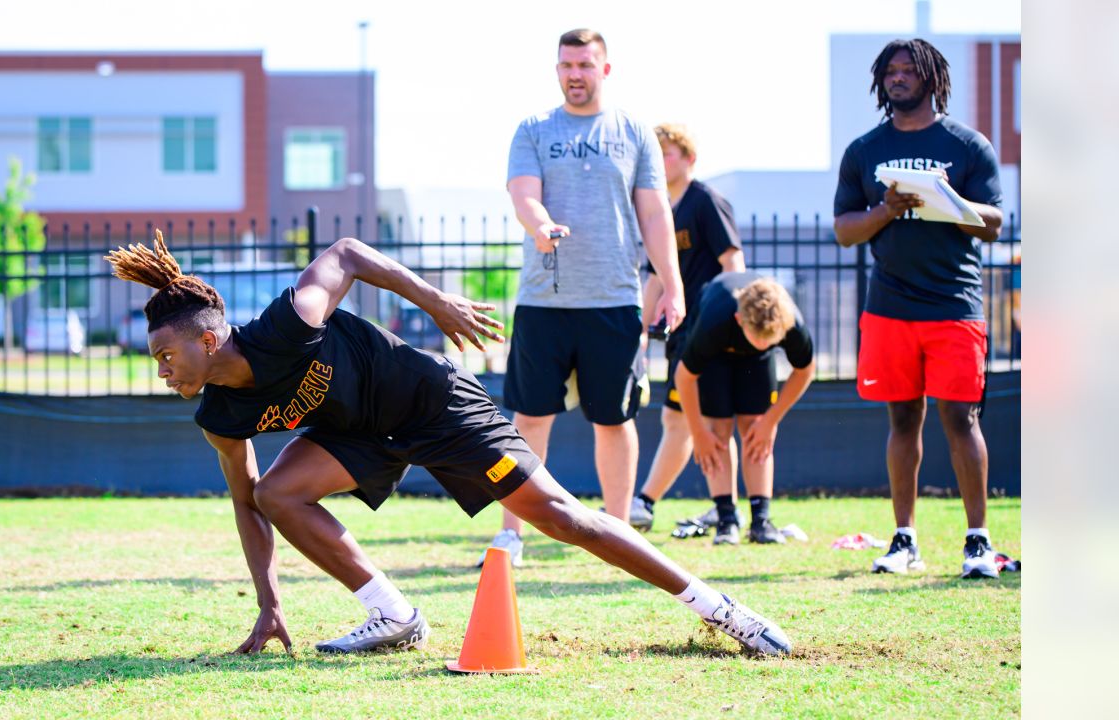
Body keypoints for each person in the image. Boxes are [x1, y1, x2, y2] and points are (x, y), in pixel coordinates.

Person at [101, 231, 791, 658]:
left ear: (209, 339)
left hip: (431, 402)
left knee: (561, 518)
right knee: (276, 489)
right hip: (359, 432)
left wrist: (437, 303)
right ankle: (392, 616)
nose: (161, 370)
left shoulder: (287, 324)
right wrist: (269, 601)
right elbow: (247, 503)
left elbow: (344, 253)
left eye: (166, 355)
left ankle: (721, 610)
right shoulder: (221, 413)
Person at [488, 28, 685, 566]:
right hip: (543, 302)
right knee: (527, 422)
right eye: (566, 65)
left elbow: (654, 212)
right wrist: (542, 223)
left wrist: (672, 282)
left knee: (615, 421)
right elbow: (523, 195)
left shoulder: (634, 133)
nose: (574, 73)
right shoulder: (533, 129)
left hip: (614, 300)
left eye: (584, 64)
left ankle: (617, 533)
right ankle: (512, 534)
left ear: (605, 69)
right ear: (557, 71)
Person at [832, 39, 1005, 578]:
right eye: (890, 71)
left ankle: (977, 541)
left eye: (909, 71)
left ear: (932, 78)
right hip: (889, 307)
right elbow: (843, 231)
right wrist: (887, 209)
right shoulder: (865, 149)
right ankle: (904, 539)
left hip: (954, 302)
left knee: (960, 416)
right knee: (903, 417)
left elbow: (995, 223)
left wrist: (947, 200)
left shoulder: (968, 145)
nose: (898, 78)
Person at [627, 123, 746, 534]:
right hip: (681, 333)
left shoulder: (706, 201)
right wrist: (639, 328)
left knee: (705, 423)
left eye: (669, 153)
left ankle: (651, 503)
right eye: (655, 154)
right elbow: (658, 276)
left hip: (710, 332)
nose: (661, 161)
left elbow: (733, 263)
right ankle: (714, 507)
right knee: (682, 421)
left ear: (689, 158)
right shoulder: (660, 208)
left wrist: (733, 320)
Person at [670, 273, 816, 545]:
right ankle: (726, 520)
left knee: (755, 428)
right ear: (740, 321)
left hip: (757, 364)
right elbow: (685, 377)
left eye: (769, 339)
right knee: (718, 431)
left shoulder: (789, 323)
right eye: (757, 338)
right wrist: (698, 432)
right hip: (717, 357)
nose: (763, 342)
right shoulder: (715, 322)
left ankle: (761, 520)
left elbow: (805, 370)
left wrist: (770, 421)